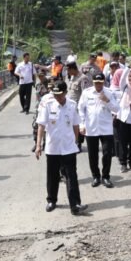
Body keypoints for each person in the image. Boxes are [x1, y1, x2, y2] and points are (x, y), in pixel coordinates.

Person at [35, 82, 86, 215]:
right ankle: (51, 200)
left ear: (65, 93)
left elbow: (75, 125)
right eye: (55, 94)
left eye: (59, 94)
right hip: (53, 148)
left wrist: (75, 141)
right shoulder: (48, 105)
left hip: (69, 147)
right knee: (52, 175)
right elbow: (41, 125)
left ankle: (75, 204)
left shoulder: (72, 105)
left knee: (71, 176)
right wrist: (38, 145)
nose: (56, 96)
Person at [78, 73, 119, 188]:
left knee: (107, 153)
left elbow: (117, 109)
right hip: (91, 128)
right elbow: (81, 109)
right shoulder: (87, 93)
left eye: (100, 82)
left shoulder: (109, 93)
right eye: (96, 83)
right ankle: (96, 176)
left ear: (104, 82)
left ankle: (106, 176)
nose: (98, 85)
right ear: (93, 82)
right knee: (93, 155)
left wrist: (107, 101)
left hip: (106, 129)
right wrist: (82, 124)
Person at [65, 61, 90, 152]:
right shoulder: (72, 78)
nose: (67, 72)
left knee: (78, 125)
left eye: (68, 70)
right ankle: (73, 142)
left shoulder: (83, 78)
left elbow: (85, 93)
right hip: (70, 107)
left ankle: (78, 144)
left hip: (78, 107)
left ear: (72, 68)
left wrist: (83, 107)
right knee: (71, 125)